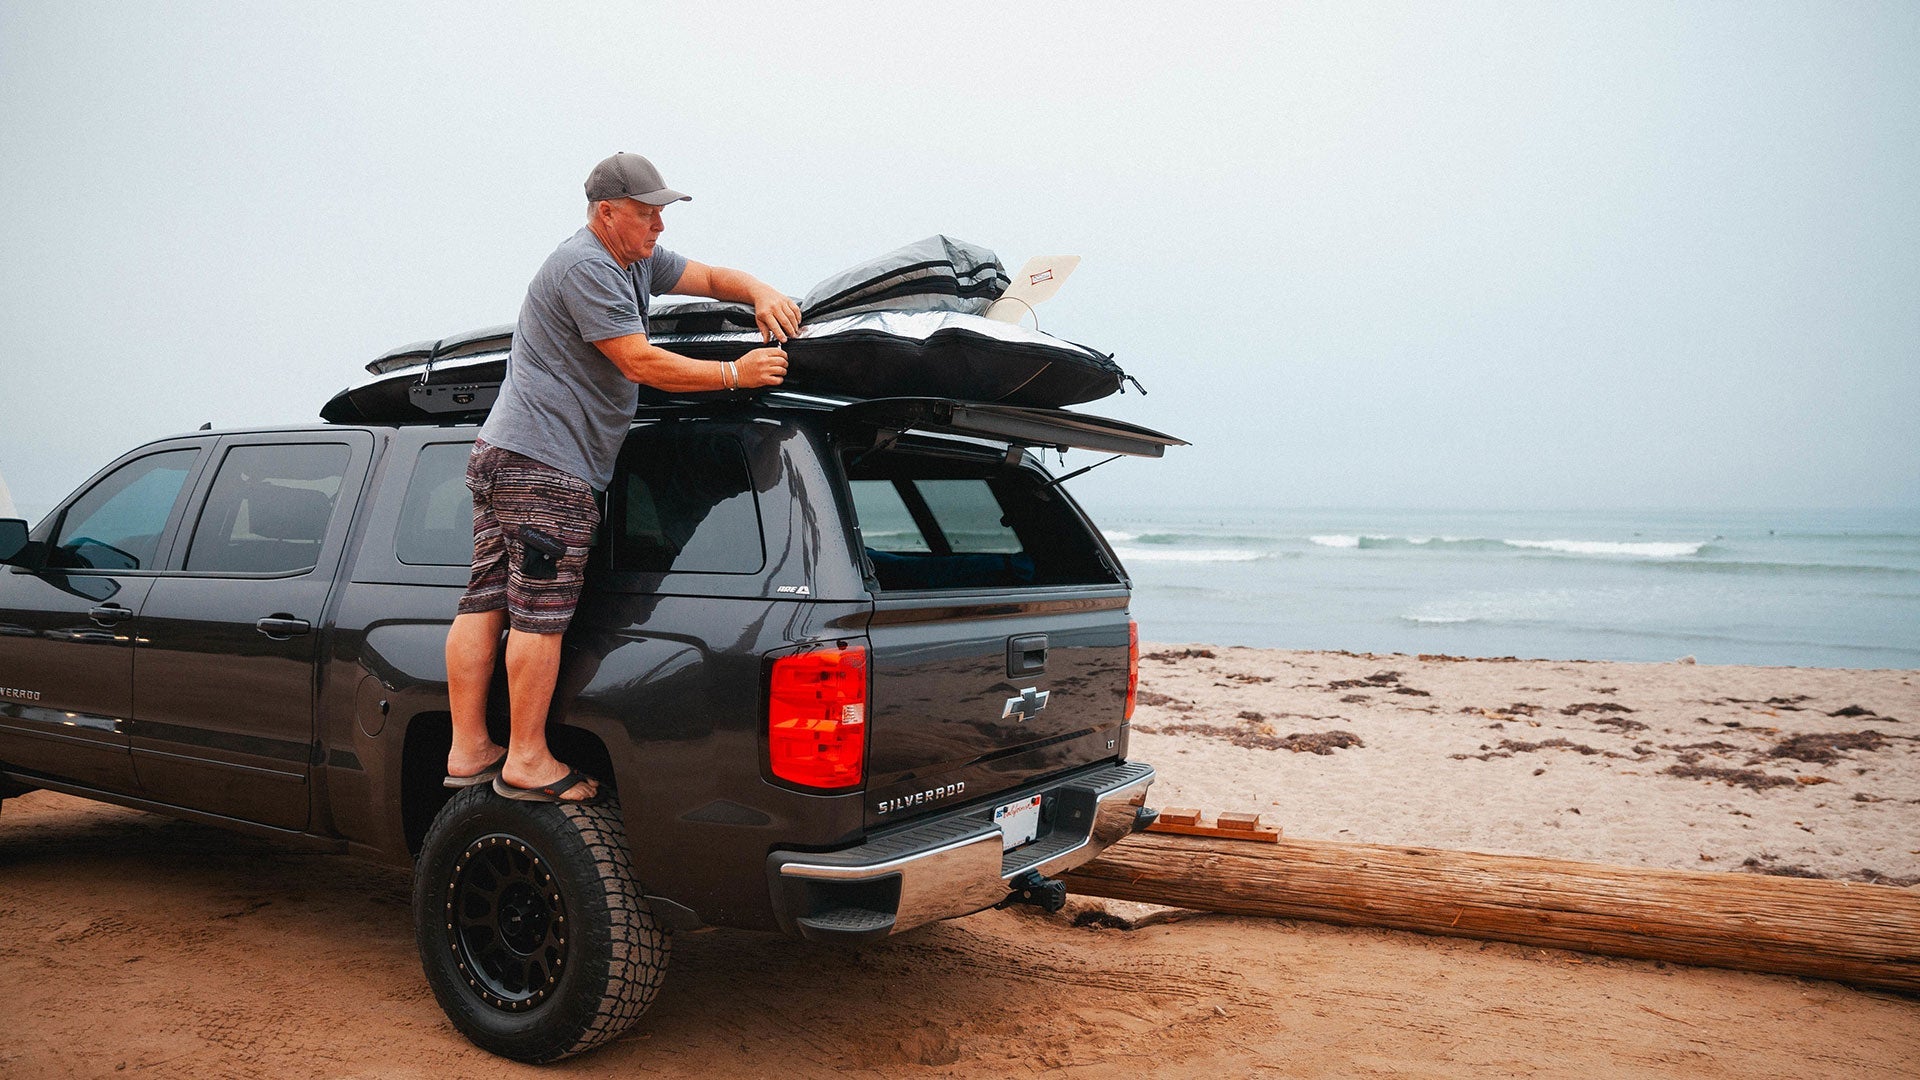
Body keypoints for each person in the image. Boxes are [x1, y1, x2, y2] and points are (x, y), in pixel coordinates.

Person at [443, 151, 801, 803]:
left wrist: (760, 291)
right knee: (539, 615)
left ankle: (469, 747)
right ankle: (525, 759)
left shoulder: (634, 257)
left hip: (508, 452)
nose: (659, 226)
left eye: (662, 212)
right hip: (548, 464)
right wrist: (733, 375)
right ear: (607, 213)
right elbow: (637, 361)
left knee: (488, 597)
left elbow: (713, 277)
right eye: (646, 214)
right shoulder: (587, 265)